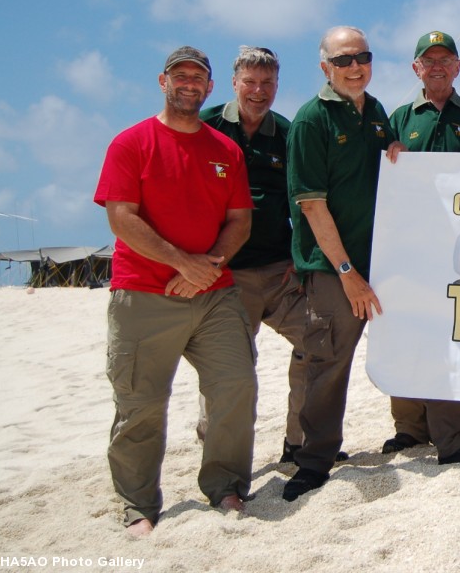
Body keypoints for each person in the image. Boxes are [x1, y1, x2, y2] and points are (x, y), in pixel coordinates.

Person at [94, 46, 256, 535]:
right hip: (143, 293)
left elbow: (240, 221)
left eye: (198, 77)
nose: (189, 83)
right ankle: (138, 505)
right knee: (140, 403)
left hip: (213, 293)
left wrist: (205, 270)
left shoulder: (225, 150)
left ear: (210, 88)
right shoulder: (131, 143)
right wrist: (181, 263)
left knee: (236, 387)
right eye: (179, 75)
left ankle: (225, 485)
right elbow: (121, 217)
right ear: (162, 81)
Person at [282, 26, 404, 501]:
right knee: (329, 363)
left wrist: (397, 151)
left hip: (383, 260)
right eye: (344, 59)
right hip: (335, 270)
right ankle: (313, 462)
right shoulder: (311, 120)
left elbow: (387, 171)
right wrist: (348, 274)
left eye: (363, 57)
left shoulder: (374, 111)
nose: (355, 67)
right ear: (325, 67)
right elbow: (312, 206)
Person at [385, 31, 460, 464]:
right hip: (410, 250)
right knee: (408, 334)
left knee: (457, 338)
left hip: (459, 253)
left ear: (458, 67)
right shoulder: (397, 118)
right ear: (415, 68)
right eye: (428, 60)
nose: (437, 66)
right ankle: (409, 431)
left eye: (445, 59)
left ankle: (455, 437)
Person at [197, 46, 312, 465]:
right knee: (230, 370)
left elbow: (303, 201)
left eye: (267, 83)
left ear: (278, 85)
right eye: (251, 82)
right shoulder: (204, 126)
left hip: (280, 270)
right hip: (224, 275)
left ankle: (299, 444)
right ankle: (221, 452)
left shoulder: (288, 132)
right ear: (234, 83)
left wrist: (300, 260)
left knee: (316, 346)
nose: (259, 91)